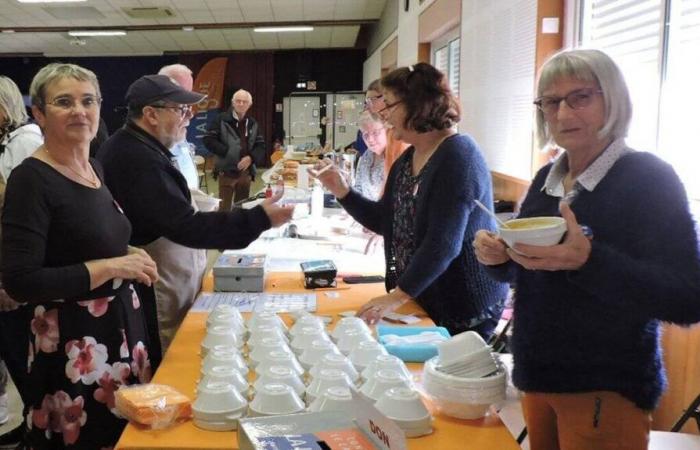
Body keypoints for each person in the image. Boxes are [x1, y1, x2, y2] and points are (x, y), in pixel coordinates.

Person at [474, 49, 700, 450]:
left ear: (612, 99)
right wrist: (500, 258)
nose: (562, 114)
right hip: (537, 376)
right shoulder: (549, 176)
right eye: (550, 101)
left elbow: (688, 298)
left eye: (580, 97)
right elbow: (531, 269)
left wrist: (589, 261)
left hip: (603, 386)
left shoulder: (649, 179)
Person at [1, 63, 159, 449]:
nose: (79, 111)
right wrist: (113, 265)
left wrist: (127, 252)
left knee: (126, 435)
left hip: (120, 333)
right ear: (38, 113)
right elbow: (21, 280)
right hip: (75, 347)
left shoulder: (94, 168)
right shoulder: (31, 179)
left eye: (88, 101)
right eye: (63, 102)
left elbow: (87, 238)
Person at [97, 75, 293, 365]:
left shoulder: (140, 148)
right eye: (181, 110)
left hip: (170, 273)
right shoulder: (136, 157)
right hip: (156, 286)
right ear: (151, 114)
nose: (189, 117)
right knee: (169, 357)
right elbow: (186, 226)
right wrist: (258, 218)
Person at [311, 63, 508, 338]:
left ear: (417, 105)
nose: (384, 114)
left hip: (462, 306)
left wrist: (396, 297)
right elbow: (384, 220)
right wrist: (343, 191)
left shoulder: (459, 156)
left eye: (389, 105)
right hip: (424, 298)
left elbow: (443, 244)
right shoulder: (408, 159)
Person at [0, 75, 44, 447]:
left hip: (15, 269)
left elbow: (21, 213)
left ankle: (36, 426)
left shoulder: (25, 141)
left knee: (21, 351)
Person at [203, 89, 265, 211]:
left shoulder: (253, 123)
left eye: (244, 102)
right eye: (238, 101)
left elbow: (261, 146)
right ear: (233, 103)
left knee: (241, 206)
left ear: (249, 104)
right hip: (226, 171)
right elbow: (208, 139)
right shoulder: (221, 119)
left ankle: (239, 229)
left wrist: (251, 158)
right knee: (224, 208)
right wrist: (226, 152)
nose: (241, 104)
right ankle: (224, 229)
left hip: (245, 173)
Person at [158, 64, 199, 189]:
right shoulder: (144, 151)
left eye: (188, 105)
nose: (190, 115)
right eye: (181, 106)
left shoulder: (178, 134)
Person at [353, 111, 387, 201]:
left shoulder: (396, 156)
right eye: (366, 135)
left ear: (387, 130)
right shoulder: (367, 155)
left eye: (375, 133)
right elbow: (358, 187)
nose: (370, 139)